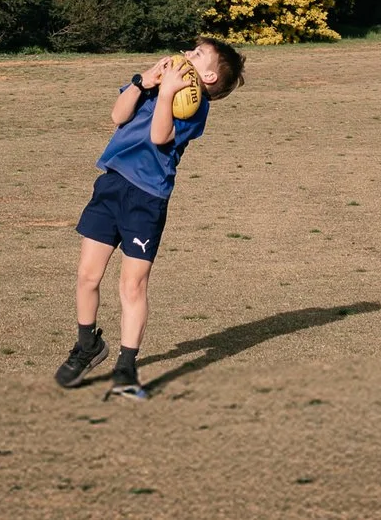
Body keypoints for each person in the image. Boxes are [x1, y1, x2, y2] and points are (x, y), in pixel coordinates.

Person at [55, 36, 246, 401]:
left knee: (133, 285)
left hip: (147, 198)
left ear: (206, 77)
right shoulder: (156, 85)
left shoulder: (194, 107)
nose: (187, 55)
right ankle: (87, 346)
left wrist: (167, 92)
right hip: (111, 185)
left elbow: (160, 136)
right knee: (87, 275)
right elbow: (117, 115)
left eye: (197, 55)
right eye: (191, 50)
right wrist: (144, 81)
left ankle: (126, 368)